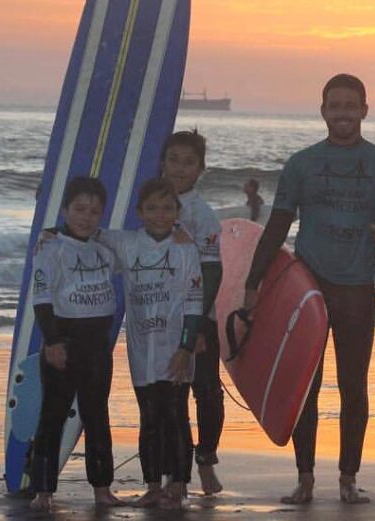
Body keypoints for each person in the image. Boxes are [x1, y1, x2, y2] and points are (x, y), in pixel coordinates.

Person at [241, 74, 375, 505]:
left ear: (364, 111)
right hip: (308, 290)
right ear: (323, 111)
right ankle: (304, 479)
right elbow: (277, 226)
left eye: (350, 104)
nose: (342, 112)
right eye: (334, 105)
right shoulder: (301, 163)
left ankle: (348, 479)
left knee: (354, 385)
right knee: (306, 386)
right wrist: (251, 283)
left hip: (357, 289)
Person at [97, 178, 203, 508]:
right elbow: (86, 232)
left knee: (176, 416)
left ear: (177, 212)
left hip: (176, 349)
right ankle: (154, 485)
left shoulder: (186, 249)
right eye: (152, 208)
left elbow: (195, 302)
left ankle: (179, 484)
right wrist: (52, 233)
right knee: (149, 417)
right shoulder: (127, 243)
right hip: (142, 349)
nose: (160, 214)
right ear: (139, 212)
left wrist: (186, 349)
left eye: (168, 208)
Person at [28, 176, 123, 511]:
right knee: (52, 415)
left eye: (95, 211)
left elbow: (141, 251)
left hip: (97, 345)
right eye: (79, 209)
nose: (86, 216)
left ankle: (102, 488)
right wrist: (52, 341)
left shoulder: (104, 250)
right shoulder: (50, 249)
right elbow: (40, 301)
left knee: (97, 415)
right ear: (66, 209)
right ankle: (43, 490)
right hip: (63, 342)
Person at [160, 130, 225, 494]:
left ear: (201, 169)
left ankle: (206, 460)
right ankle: (175, 470)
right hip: (161, 316)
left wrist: (199, 324)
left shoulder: (201, 215)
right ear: (161, 162)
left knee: (206, 390)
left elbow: (214, 270)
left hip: (201, 318)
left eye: (188, 162)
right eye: (173, 160)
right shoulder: (151, 206)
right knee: (171, 393)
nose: (179, 169)